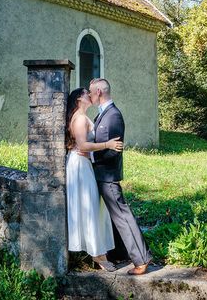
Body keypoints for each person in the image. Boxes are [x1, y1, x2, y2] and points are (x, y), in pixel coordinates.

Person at [89, 78, 153, 275]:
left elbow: (113, 151)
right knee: (114, 217)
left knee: (122, 216)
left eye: (91, 92)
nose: (90, 96)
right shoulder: (103, 114)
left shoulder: (113, 116)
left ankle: (142, 259)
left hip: (108, 175)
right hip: (101, 174)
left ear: (99, 92)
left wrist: (90, 157)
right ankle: (122, 253)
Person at [65, 87, 124, 272]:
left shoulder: (81, 116)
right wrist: (108, 144)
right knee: (89, 207)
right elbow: (82, 144)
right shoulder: (80, 118)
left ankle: (97, 251)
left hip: (83, 164)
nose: (89, 96)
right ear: (78, 100)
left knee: (93, 207)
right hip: (80, 166)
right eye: (85, 94)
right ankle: (98, 255)